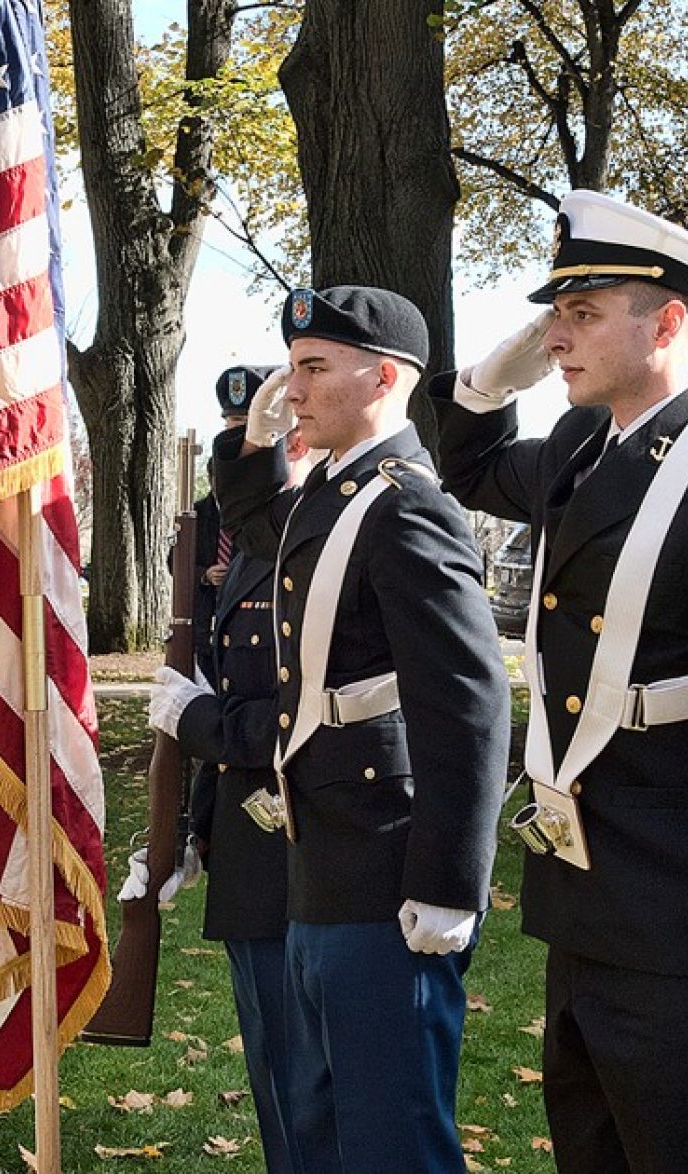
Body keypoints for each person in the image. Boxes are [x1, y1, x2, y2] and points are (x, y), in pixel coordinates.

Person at [428, 190, 688, 1174]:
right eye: (553, 316)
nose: (557, 337)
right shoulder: (579, 446)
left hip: (684, 924)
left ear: (665, 323)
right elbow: (469, 464)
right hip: (583, 903)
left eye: (583, 312)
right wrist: (491, 376)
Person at [210, 284, 510, 1172]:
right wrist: (256, 439)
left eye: (311, 369)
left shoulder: (408, 503)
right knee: (323, 1126)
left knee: (391, 1135)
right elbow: (260, 523)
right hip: (326, 857)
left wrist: (453, 883)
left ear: (383, 377)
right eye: (291, 370)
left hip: (387, 869)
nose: (292, 388)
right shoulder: (335, 492)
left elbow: (467, 699)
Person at [142, 422, 322, 1174]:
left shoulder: (334, 535)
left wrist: (199, 721)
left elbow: (305, 712)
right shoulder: (249, 546)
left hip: (321, 835)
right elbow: (235, 684)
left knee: (326, 1085)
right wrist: (192, 832)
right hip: (249, 850)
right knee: (278, 1082)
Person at [193, 366, 278, 680]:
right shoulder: (202, 513)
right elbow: (178, 560)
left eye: (242, 423)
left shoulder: (285, 504)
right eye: (229, 422)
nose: (233, 434)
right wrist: (205, 575)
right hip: (212, 628)